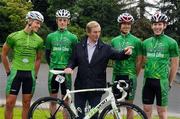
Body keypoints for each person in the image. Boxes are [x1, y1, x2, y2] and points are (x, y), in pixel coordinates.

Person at [64, 21, 133, 119]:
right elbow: (73, 60)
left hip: (97, 87)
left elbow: (118, 55)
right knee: (79, 116)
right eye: (94, 32)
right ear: (88, 32)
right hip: (81, 86)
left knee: (94, 116)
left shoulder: (106, 48)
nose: (97, 34)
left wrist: (126, 53)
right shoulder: (78, 46)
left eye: (99, 32)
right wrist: (69, 67)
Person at [1, 11, 44, 119]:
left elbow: (38, 59)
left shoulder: (39, 40)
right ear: (29, 21)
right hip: (15, 73)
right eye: (37, 23)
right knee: (10, 104)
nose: (39, 26)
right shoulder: (13, 36)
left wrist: (35, 74)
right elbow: (4, 54)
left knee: (27, 104)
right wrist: (8, 71)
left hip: (29, 75)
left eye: (40, 24)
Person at [142, 12, 179, 119]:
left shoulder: (171, 42)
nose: (157, 27)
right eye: (154, 24)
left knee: (161, 112)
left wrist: (170, 82)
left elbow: (175, 64)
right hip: (147, 81)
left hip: (162, 82)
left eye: (159, 24)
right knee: (146, 109)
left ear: (165, 26)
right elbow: (145, 61)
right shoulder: (146, 43)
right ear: (151, 26)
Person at [45, 9, 78, 116]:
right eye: (60, 20)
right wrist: (52, 66)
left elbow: (75, 56)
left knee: (66, 101)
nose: (62, 22)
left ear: (68, 21)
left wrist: (70, 67)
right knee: (53, 99)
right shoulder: (50, 37)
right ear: (57, 21)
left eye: (64, 20)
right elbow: (47, 54)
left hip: (66, 72)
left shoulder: (73, 37)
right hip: (53, 71)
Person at [111, 13, 142, 119]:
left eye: (128, 24)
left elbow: (139, 61)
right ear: (120, 25)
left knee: (129, 106)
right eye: (124, 23)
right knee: (115, 106)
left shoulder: (137, 41)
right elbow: (112, 57)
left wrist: (134, 74)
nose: (126, 26)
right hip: (117, 75)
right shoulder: (114, 40)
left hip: (130, 76)